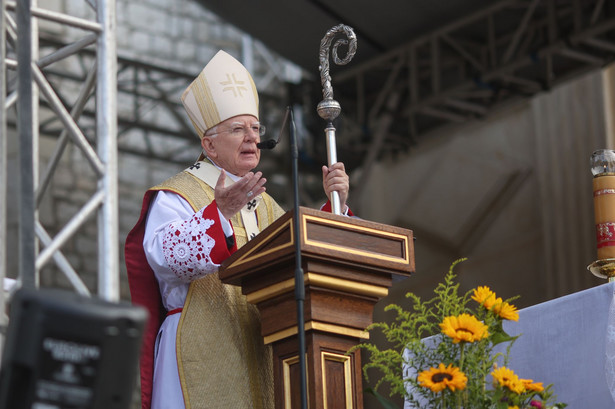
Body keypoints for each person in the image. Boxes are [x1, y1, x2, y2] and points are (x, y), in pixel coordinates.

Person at [125, 50, 352, 409]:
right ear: (208, 143)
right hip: (197, 346)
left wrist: (334, 207)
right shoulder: (176, 194)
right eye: (237, 129)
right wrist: (220, 214)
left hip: (260, 346)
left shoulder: (266, 205)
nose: (251, 138)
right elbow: (164, 257)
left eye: (256, 128)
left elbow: (304, 258)